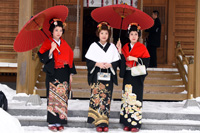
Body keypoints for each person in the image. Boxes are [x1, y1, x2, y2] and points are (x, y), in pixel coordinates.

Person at [38, 18, 76, 132]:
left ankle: (60, 121)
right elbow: (42, 57)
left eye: (60, 30)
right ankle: (52, 122)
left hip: (64, 73)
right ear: (52, 32)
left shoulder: (64, 44)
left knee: (62, 98)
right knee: (53, 98)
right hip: (53, 73)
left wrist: (70, 75)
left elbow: (70, 60)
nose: (58, 32)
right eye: (56, 30)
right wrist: (50, 50)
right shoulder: (48, 42)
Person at [85, 22, 122, 132]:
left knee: (106, 99)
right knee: (97, 98)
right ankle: (97, 123)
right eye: (102, 33)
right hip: (97, 75)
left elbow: (117, 61)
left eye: (106, 33)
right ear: (98, 34)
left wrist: (111, 64)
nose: (104, 35)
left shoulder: (112, 47)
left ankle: (104, 122)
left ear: (109, 34)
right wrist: (97, 64)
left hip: (108, 76)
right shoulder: (93, 46)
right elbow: (89, 61)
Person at [116, 23, 150, 132]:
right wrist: (120, 51)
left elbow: (146, 61)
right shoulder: (125, 47)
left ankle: (135, 124)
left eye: (136, 34)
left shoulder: (142, 47)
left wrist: (135, 59)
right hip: (127, 75)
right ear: (128, 35)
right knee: (127, 98)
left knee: (136, 98)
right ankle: (127, 122)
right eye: (131, 34)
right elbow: (121, 61)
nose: (134, 36)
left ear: (138, 36)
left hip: (137, 76)